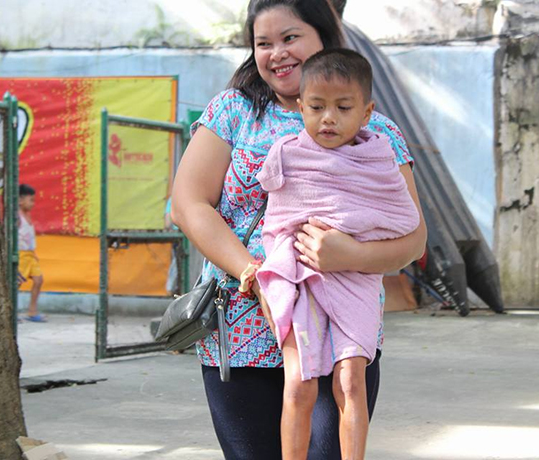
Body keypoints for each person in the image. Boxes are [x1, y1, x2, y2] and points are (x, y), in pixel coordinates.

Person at [171, 1, 427, 459]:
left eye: (290, 38)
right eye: (263, 43)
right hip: (242, 330)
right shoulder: (235, 111)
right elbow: (188, 204)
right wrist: (256, 276)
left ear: (325, 36)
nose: (276, 54)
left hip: (341, 330)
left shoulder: (378, 132)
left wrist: (347, 255)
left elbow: (413, 239)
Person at [254, 48, 421, 460]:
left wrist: (351, 240)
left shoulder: (379, 157)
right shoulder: (288, 154)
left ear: (366, 113)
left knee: (350, 382)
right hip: (299, 279)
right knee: (299, 384)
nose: (328, 118)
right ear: (300, 107)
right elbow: (276, 219)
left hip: (355, 281)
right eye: (316, 106)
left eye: (343, 107)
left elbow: (401, 220)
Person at [18, 184, 46, 322]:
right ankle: (10, 313)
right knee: (15, 285)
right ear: (20, 200)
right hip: (20, 255)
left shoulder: (27, 215)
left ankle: (32, 311)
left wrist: (34, 253)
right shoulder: (16, 217)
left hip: (30, 254)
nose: (33, 204)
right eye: (31, 200)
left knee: (38, 280)